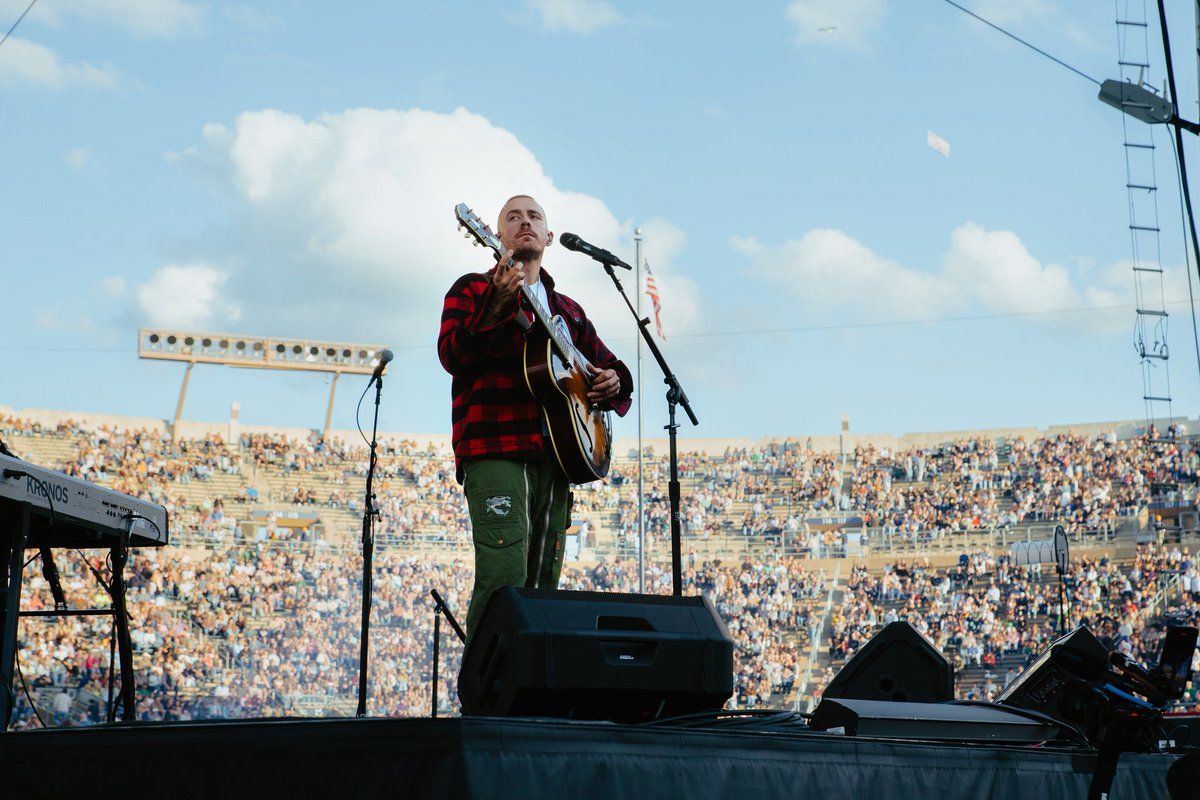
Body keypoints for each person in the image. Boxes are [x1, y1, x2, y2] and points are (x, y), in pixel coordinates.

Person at [438, 194, 633, 638]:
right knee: (503, 576)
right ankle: (483, 701)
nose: (524, 222)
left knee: (545, 586)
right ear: (497, 235)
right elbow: (453, 355)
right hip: (496, 447)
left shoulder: (569, 310)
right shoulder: (471, 288)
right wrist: (495, 306)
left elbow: (610, 366)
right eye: (512, 217)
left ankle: (532, 698)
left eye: (534, 216)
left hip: (559, 455)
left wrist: (613, 382)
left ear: (548, 235)